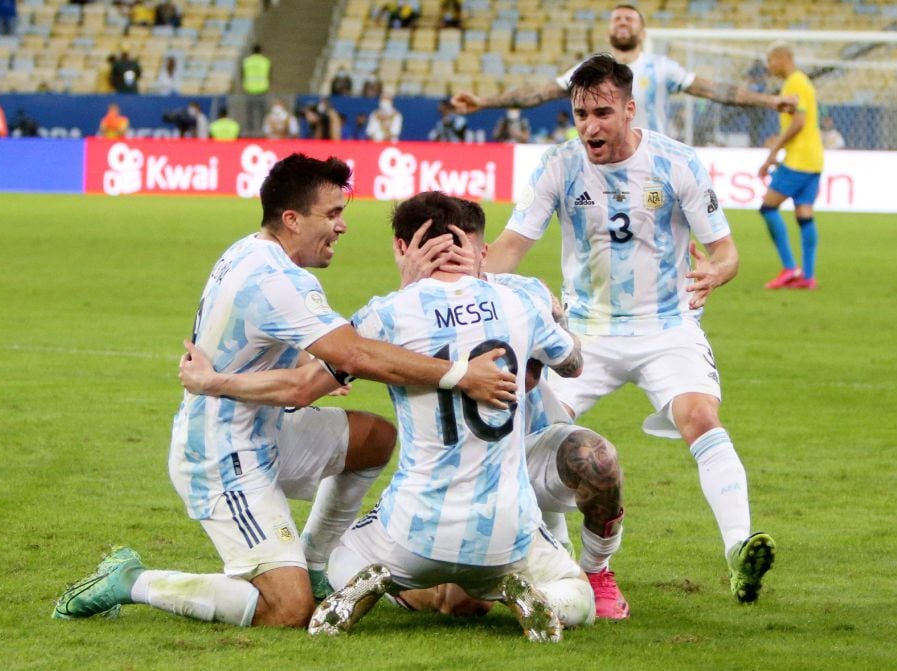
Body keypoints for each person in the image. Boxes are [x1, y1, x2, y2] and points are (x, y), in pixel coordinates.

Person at [51, 153, 518, 629]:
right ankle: (132, 579)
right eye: (332, 214)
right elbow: (347, 359)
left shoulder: (251, 251)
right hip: (222, 455)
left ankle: (316, 565)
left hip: (269, 429)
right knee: (287, 610)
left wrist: (322, 359)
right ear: (293, 219)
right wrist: (458, 373)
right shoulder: (277, 280)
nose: (342, 227)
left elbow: (300, 350)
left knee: (372, 438)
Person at [484, 54, 776, 605]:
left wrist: (716, 270)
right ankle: (578, 569)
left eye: (602, 112)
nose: (590, 126)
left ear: (629, 108)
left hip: (667, 325)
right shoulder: (559, 166)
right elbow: (511, 247)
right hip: (585, 333)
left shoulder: (677, 163)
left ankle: (740, 549)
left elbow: (726, 250)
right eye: (580, 114)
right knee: (541, 440)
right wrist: (455, 283)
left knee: (700, 416)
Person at [309, 191, 592, 641]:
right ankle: (536, 596)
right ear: (475, 247)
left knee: (341, 560)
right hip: (505, 530)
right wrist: (558, 320)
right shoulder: (521, 304)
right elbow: (574, 364)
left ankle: (379, 582)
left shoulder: (386, 314)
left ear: (404, 249)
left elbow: (316, 376)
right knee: (578, 595)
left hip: (414, 530)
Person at [393, 198, 629, 621]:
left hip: (527, 451)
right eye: (437, 255)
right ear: (410, 254)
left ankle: (597, 573)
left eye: (460, 252)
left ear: (483, 254)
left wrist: (558, 322)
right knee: (464, 607)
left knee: (596, 458)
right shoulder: (401, 309)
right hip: (453, 476)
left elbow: (571, 365)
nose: (450, 263)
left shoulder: (524, 295)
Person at [451, 4, 796, 135]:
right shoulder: (589, 70)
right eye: (617, 18)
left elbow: (715, 90)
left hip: (651, 164)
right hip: (603, 164)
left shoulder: (661, 68)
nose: (622, 22)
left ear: (642, 32)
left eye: (630, 18)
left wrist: (769, 102)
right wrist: (484, 101)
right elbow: (537, 93)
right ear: (609, 30)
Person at [758, 42, 823, 291]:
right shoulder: (803, 81)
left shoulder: (794, 82)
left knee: (768, 207)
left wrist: (774, 150)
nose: (769, 65)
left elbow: (799, 120)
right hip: (814, 158)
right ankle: (807, 276)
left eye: (770, 60)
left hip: (799, 159)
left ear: (782, 57)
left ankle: (789, 268)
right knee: (804, 214)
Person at [241, 45, 271, 137]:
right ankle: (262, 131)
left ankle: (250, 130)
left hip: (249, 89)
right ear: (261, 50)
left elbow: (242, 75)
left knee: (250, 113)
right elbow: (269, 75)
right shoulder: (265, 61)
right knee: (262, 112)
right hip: (262, 90)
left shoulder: (246, 61)